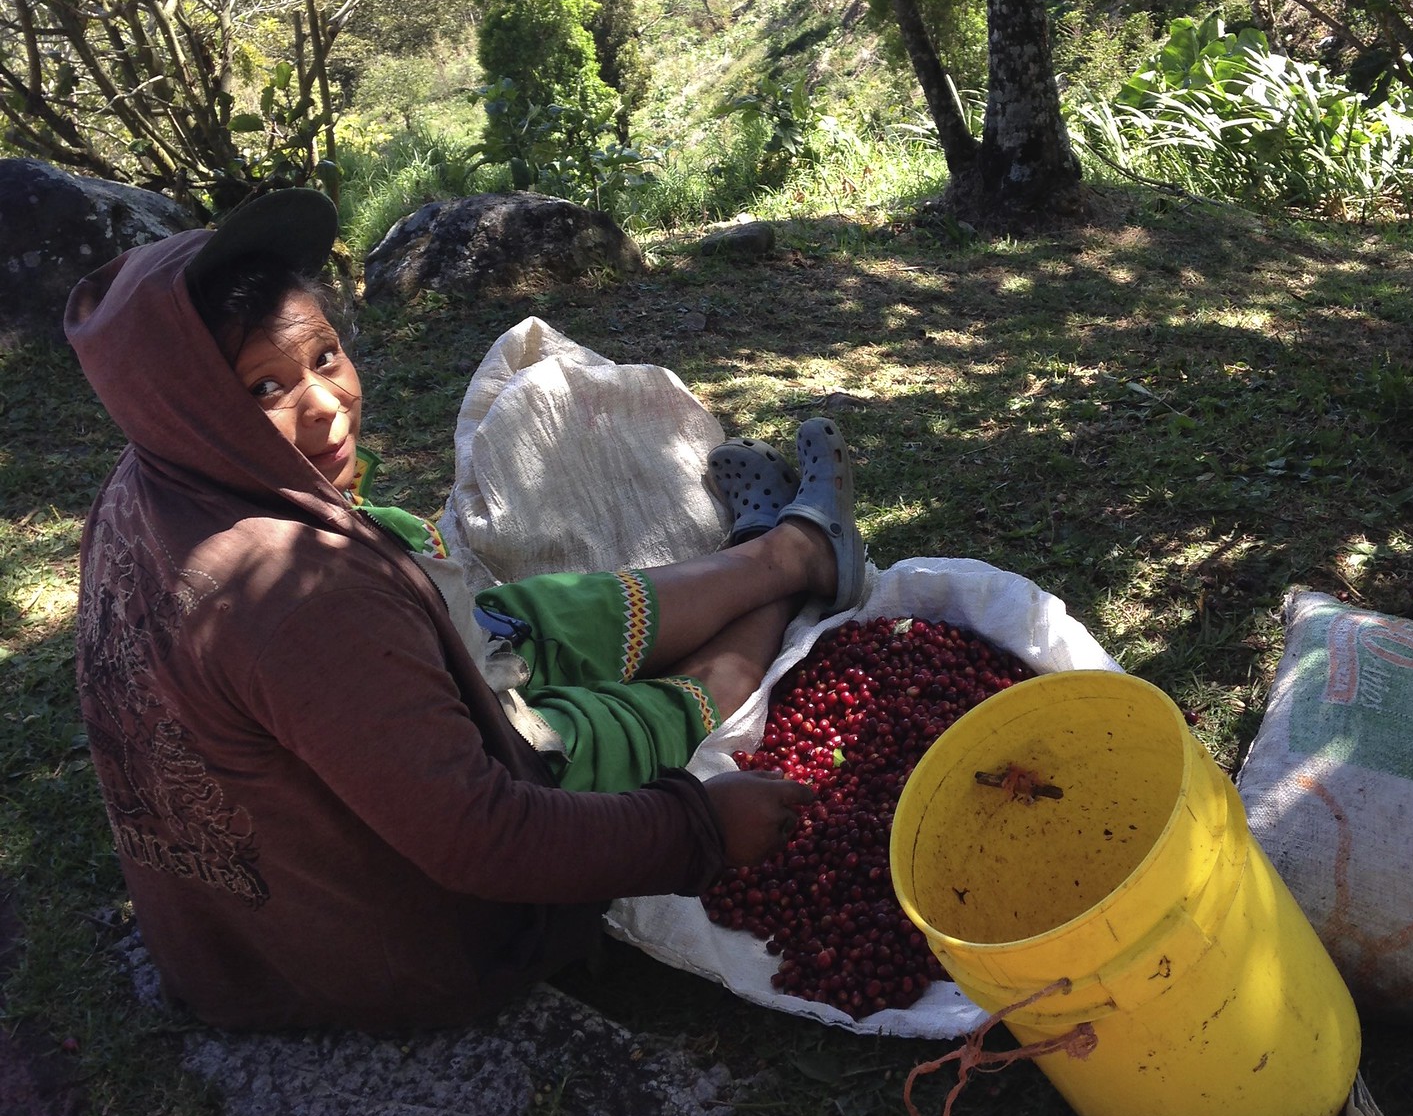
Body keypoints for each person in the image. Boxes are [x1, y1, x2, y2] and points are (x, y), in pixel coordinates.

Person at [65, 191, 866, 1032]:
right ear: (191, 407)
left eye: (327, 356)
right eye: (266, 387)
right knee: (629, 716)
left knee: (545, 616)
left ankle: (785, 552)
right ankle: (787, 590)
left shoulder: (147, 484)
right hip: (402, 949)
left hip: (242, 940)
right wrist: (697, 827)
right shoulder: (296, 599)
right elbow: (481, 837)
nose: (328, 405)